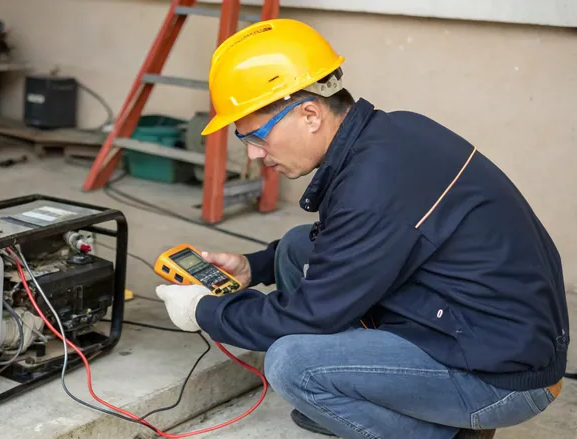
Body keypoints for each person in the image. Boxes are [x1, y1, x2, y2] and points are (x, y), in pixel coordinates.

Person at [154, 18, 569, 439]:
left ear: (310, 113)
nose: (256, 155)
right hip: (490, 326)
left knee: (293, 363)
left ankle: (448, 433)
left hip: (501, 376)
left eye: (256, 136)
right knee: (296, 248)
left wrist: (204, 311)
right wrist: (252, 266)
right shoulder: (389, 134)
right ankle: (375, 396)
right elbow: (346, 244)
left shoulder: (373, 187)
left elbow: (308, 316)